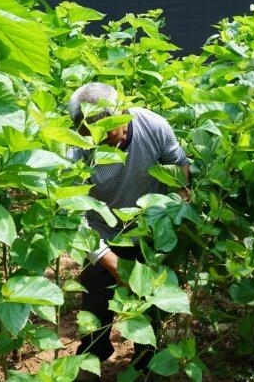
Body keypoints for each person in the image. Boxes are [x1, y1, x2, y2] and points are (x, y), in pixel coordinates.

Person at [68, 82, 190, 378]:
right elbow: (72, 215)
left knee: (151, 305)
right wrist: (110, 261)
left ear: (122, 115)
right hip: (103, 232)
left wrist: (176, 208)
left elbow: (179, 166)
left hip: (150, 230)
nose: (98, 143)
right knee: (96, 300)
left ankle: (148, 363)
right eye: (90, 137)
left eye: (106, 134)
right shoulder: (76, 148)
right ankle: (91, 359)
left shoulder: (153, 126)